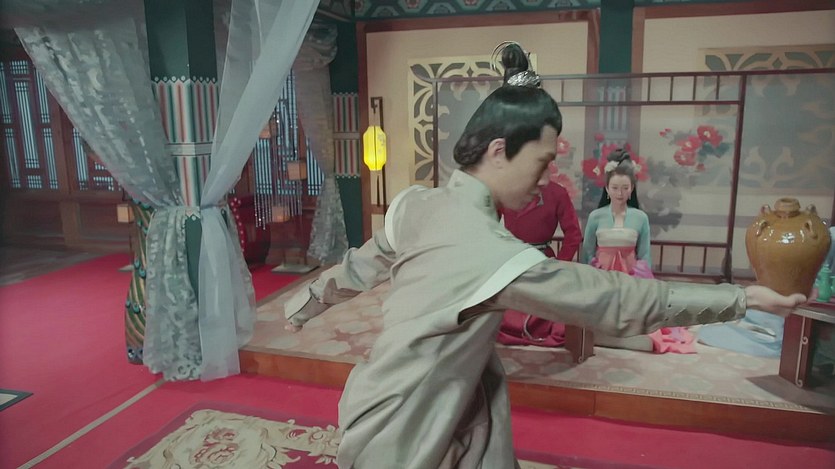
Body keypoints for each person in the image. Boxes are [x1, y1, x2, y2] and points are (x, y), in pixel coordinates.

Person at [283, 42, 805, 469]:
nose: (546, 178)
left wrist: (305, 305)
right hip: (413, 418)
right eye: (540, 161)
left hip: (417, 390)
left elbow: (359, 266)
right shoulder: (489, 252)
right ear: (498, 151)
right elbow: (616, 298)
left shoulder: (417, 203)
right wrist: (741, 299)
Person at [581, 150, 695, 353]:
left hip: (630, 276)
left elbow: (644, 254)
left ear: (632, 189)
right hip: (602, 277)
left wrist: (641, 281)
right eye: (615, 188)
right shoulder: (596, 217)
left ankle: (631, 336)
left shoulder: (640, 217)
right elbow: (588, 251)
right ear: (607, 189)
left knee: (639, 318)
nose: (620, 193)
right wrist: (590, 275)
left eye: (625, 188)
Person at [497, 178, 581, 347]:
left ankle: (538, 332)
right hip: (512, 259)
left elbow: (573, 233)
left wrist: (560, 264)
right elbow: (489, 225)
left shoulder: (557, 193)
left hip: (544, 260)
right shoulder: (506, 188)